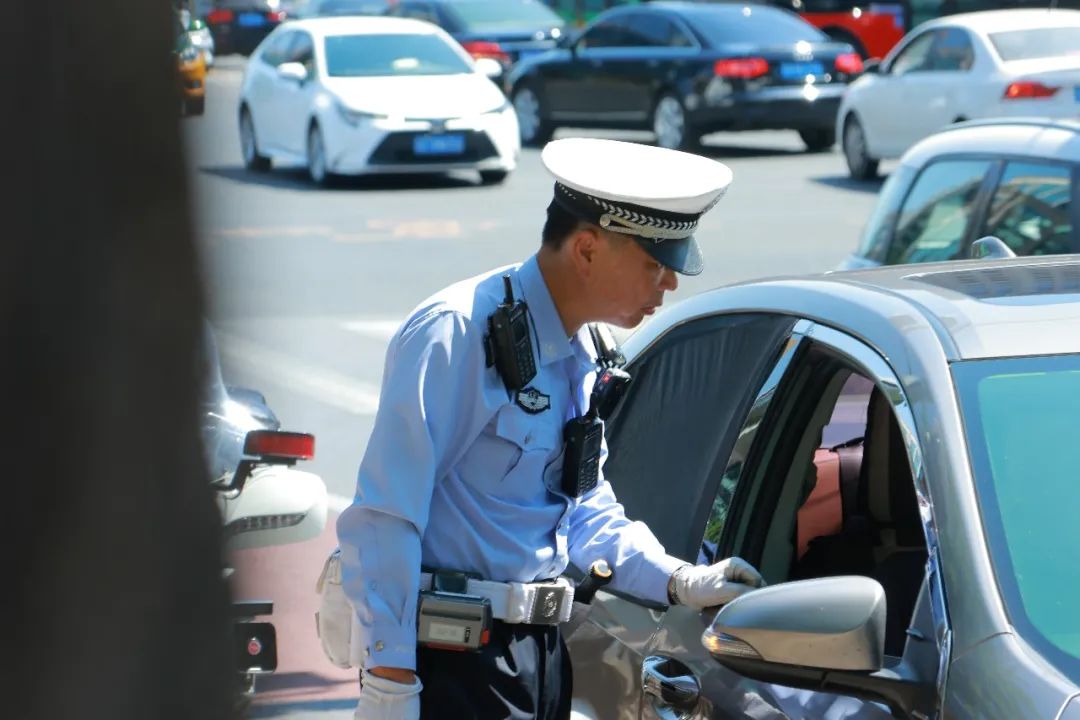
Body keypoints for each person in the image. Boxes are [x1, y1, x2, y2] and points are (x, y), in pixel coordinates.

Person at [336, 137, 765, 720]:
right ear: (587, 249)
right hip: (454, 661)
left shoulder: (585, 347)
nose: (669, 284)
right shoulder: (459, 333)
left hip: (537, 656)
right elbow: (386, 517)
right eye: (655, 263)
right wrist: (390, 682)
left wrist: (681, 580)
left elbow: (582, 510)